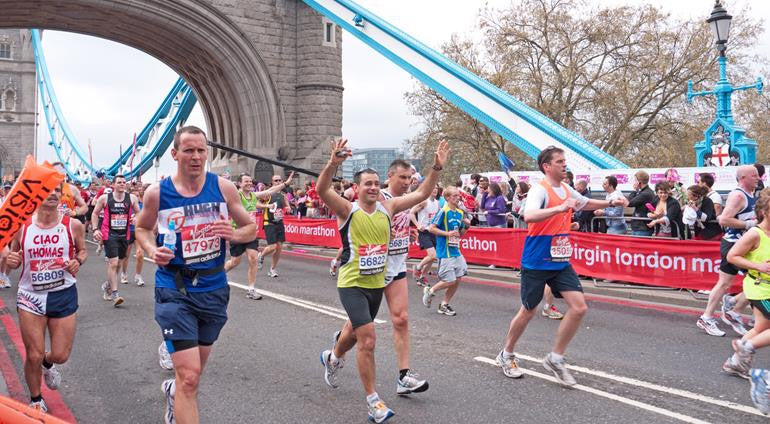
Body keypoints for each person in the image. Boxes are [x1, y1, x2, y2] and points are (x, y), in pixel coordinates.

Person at [318, 138, 448, 423]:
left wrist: (436, 167)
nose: (374, 187)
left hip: (378, 283)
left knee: (354, 335)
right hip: (352, 283)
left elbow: (424, 191)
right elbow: (321, 189)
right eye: (368, 183)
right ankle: (373, 401)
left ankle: (331, 357)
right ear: (357, 188)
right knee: (368, 340)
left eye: (376, 183)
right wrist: (332, 164)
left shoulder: (388, 208)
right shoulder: (346, 209)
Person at [134, 126, 257, 424]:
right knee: (190, 377)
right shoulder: (157, 193)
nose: (196, 156)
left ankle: (173, 391)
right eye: (189, 150)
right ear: (175, 154)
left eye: (201, 150)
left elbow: (251, 227)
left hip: (213, 288)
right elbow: (141, 228)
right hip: (174, 288)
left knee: (193, 373)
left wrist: (234, 234)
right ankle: (180, 390)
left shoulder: (224, 188)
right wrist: (152, 251)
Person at [496, 146, 627, 387]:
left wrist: (611, 200)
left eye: (564, 161)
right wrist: (559, 208)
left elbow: (585, 203)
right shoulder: (539, 189)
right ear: (547, 166)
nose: (564, 164)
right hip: (536, 260)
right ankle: (507, 354)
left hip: (559, 260)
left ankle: (555, 358)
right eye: (559, 161)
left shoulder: (566, 188)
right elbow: (529, 215)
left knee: (579, 308)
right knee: (528, 311)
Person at [5, 182, 87, 412]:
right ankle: (35, 400)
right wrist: (11, 261)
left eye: (57, 191)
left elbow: (83, 250)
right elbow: (13, 255)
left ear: (62, 195)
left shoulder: (74, 225)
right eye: (46, 190)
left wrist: (77, 261)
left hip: (63, 294)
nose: (52, 194)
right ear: (36, 195)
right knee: (33, 353)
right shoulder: (23, 226)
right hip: (31, 295)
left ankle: (48, 362)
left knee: (60, 354)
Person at [377, 159, 431, 396]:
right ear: (390, 175)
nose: (407, 182)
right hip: (374, 267)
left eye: (410, 178)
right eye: (402, 178)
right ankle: (335, 355)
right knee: (358, 329)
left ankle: (404, 376)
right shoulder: (378, 196)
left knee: (401, 319)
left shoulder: (409, 197)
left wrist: (436, 169)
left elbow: (423, 193)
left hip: (397, 264)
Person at [698, 165, 759, 337]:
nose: (757, 178)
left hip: (741, 245)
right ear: (742, 178)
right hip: (734, 245)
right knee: (760, 279)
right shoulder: (738, 195)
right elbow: (724, 219)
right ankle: (732, 309)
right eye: (753, 175)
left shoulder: (750, 194)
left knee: (726, 283)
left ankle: (713, 313)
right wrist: (750, 225)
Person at [722, 188, 770, 380]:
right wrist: (757, 265)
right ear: (765, 212)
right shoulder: (754, 234)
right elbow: (732, 256)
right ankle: (745, 349)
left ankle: (735, 362)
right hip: (759, 287)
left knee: (761, 328)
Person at [224, 172, 293, 300]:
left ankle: (251, 289)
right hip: (238, 234)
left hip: (251, 234)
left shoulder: (253, 195)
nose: (249, 183)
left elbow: (270, 191)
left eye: (250, 181)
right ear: (240, 183)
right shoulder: (236, 196)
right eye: (246, 181)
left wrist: (285, 184)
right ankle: (220, 274)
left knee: (253, 258)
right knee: (235, 262)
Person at [91, 175, 141, 307]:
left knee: (119, 264)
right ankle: (115, 294)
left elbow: (139, 213)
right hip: (109, 234)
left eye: (124, 182)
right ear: (113, 185)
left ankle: (107, 285)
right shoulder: (105, 198)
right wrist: (96, 229)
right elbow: (95, 213)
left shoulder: (132, 198)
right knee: (113, 263)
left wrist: (136, 218)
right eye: (119, 182)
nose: (122, 184)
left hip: (124, 234)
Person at [421, 185, 470, 315]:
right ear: (447, 198)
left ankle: (444, 304)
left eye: (458, 195)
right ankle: (430, 291)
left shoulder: (459, 213)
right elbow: (431, 228)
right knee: (450, 280)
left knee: (458, 278)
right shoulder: (443, 211)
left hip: (456, 250)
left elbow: (460, 232)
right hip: (445, 251)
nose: (458, 198)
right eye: (454, 196)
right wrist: (447, 234)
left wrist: (466, 227)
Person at [257, 174, 290, 278]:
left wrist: (288, 208)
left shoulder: (283, 195)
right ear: (272, 182)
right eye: (276, 181)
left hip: (279, 223)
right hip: (269, 222)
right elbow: (256, 203)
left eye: (280, 180)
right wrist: (267, 205)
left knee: (279, 247)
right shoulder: (268, 194)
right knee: (272, 246)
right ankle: (261, 255)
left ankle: (272, 269)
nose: (278, 182)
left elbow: (287, 205)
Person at [410, 186, 440, 287]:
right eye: (433, 188)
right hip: (424, 232)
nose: (435, 189)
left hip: (433, 232)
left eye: (436, 188)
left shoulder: (437, 203)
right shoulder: (424, 202)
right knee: (433, 255)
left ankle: (422, 277)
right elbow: (411, 213)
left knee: (432, 258)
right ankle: (417, 268)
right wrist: (418, 225)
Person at [626, 171, 656, 237]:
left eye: (635, 180)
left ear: (639, 182)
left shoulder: (645, 193)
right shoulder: (645, 192)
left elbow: (629, 203)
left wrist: (634, 190)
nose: (634, 182)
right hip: (641, 227)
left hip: (642, 228)